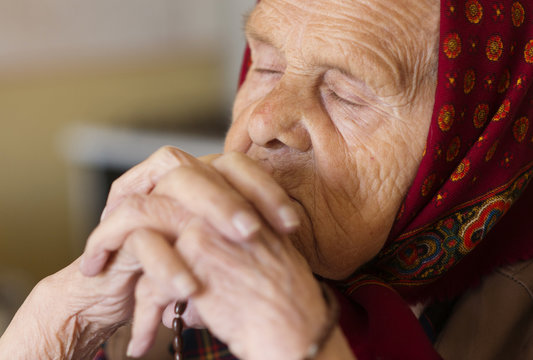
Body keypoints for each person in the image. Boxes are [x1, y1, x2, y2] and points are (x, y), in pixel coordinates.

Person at [1, 0, 532, 358]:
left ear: (476, 135)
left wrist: (300, 342)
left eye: (345, 94)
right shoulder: (172, 281)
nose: (263, 120)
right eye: (266, 66)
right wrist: (60, 320)